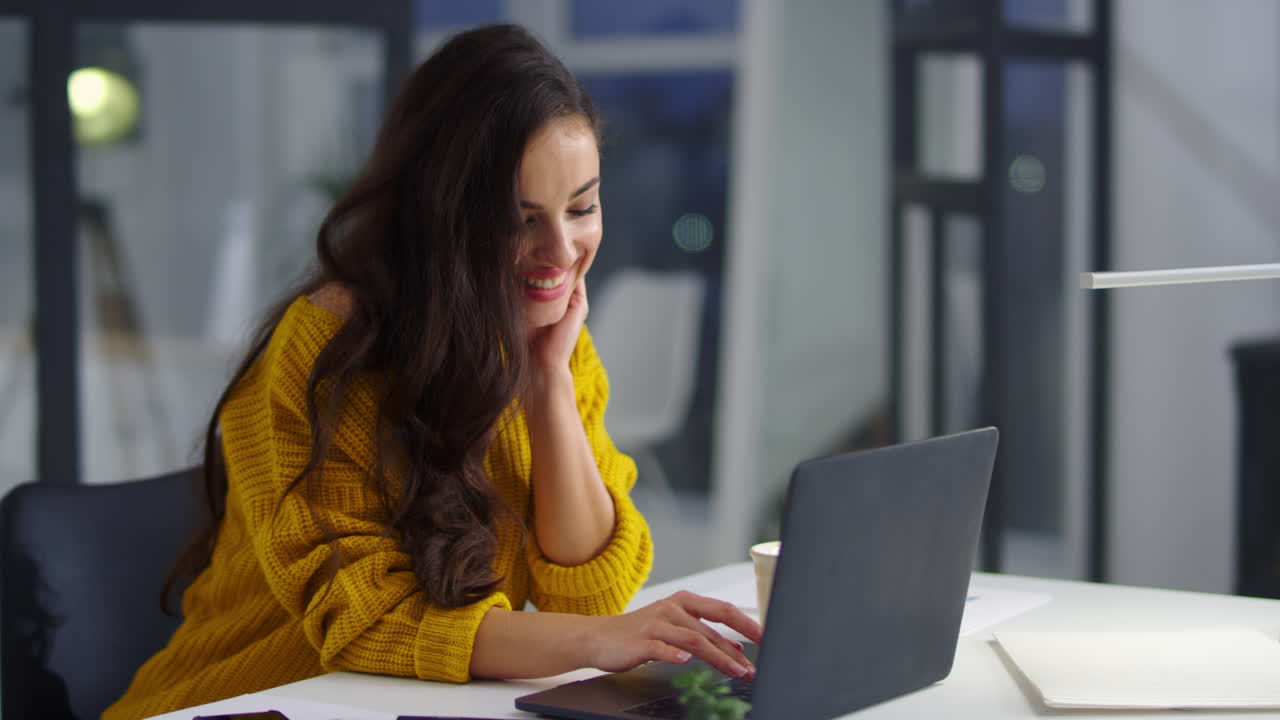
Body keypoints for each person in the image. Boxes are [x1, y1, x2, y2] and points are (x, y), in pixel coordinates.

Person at [103, 23, 761, 720]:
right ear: (444, 212)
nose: (560, 250)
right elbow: (366, 623)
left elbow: (590, 597)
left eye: (582, 207)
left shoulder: (548, 335)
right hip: (244, 704)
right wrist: (596, 640)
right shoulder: (327, 350)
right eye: (521, 218)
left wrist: (549, 384)